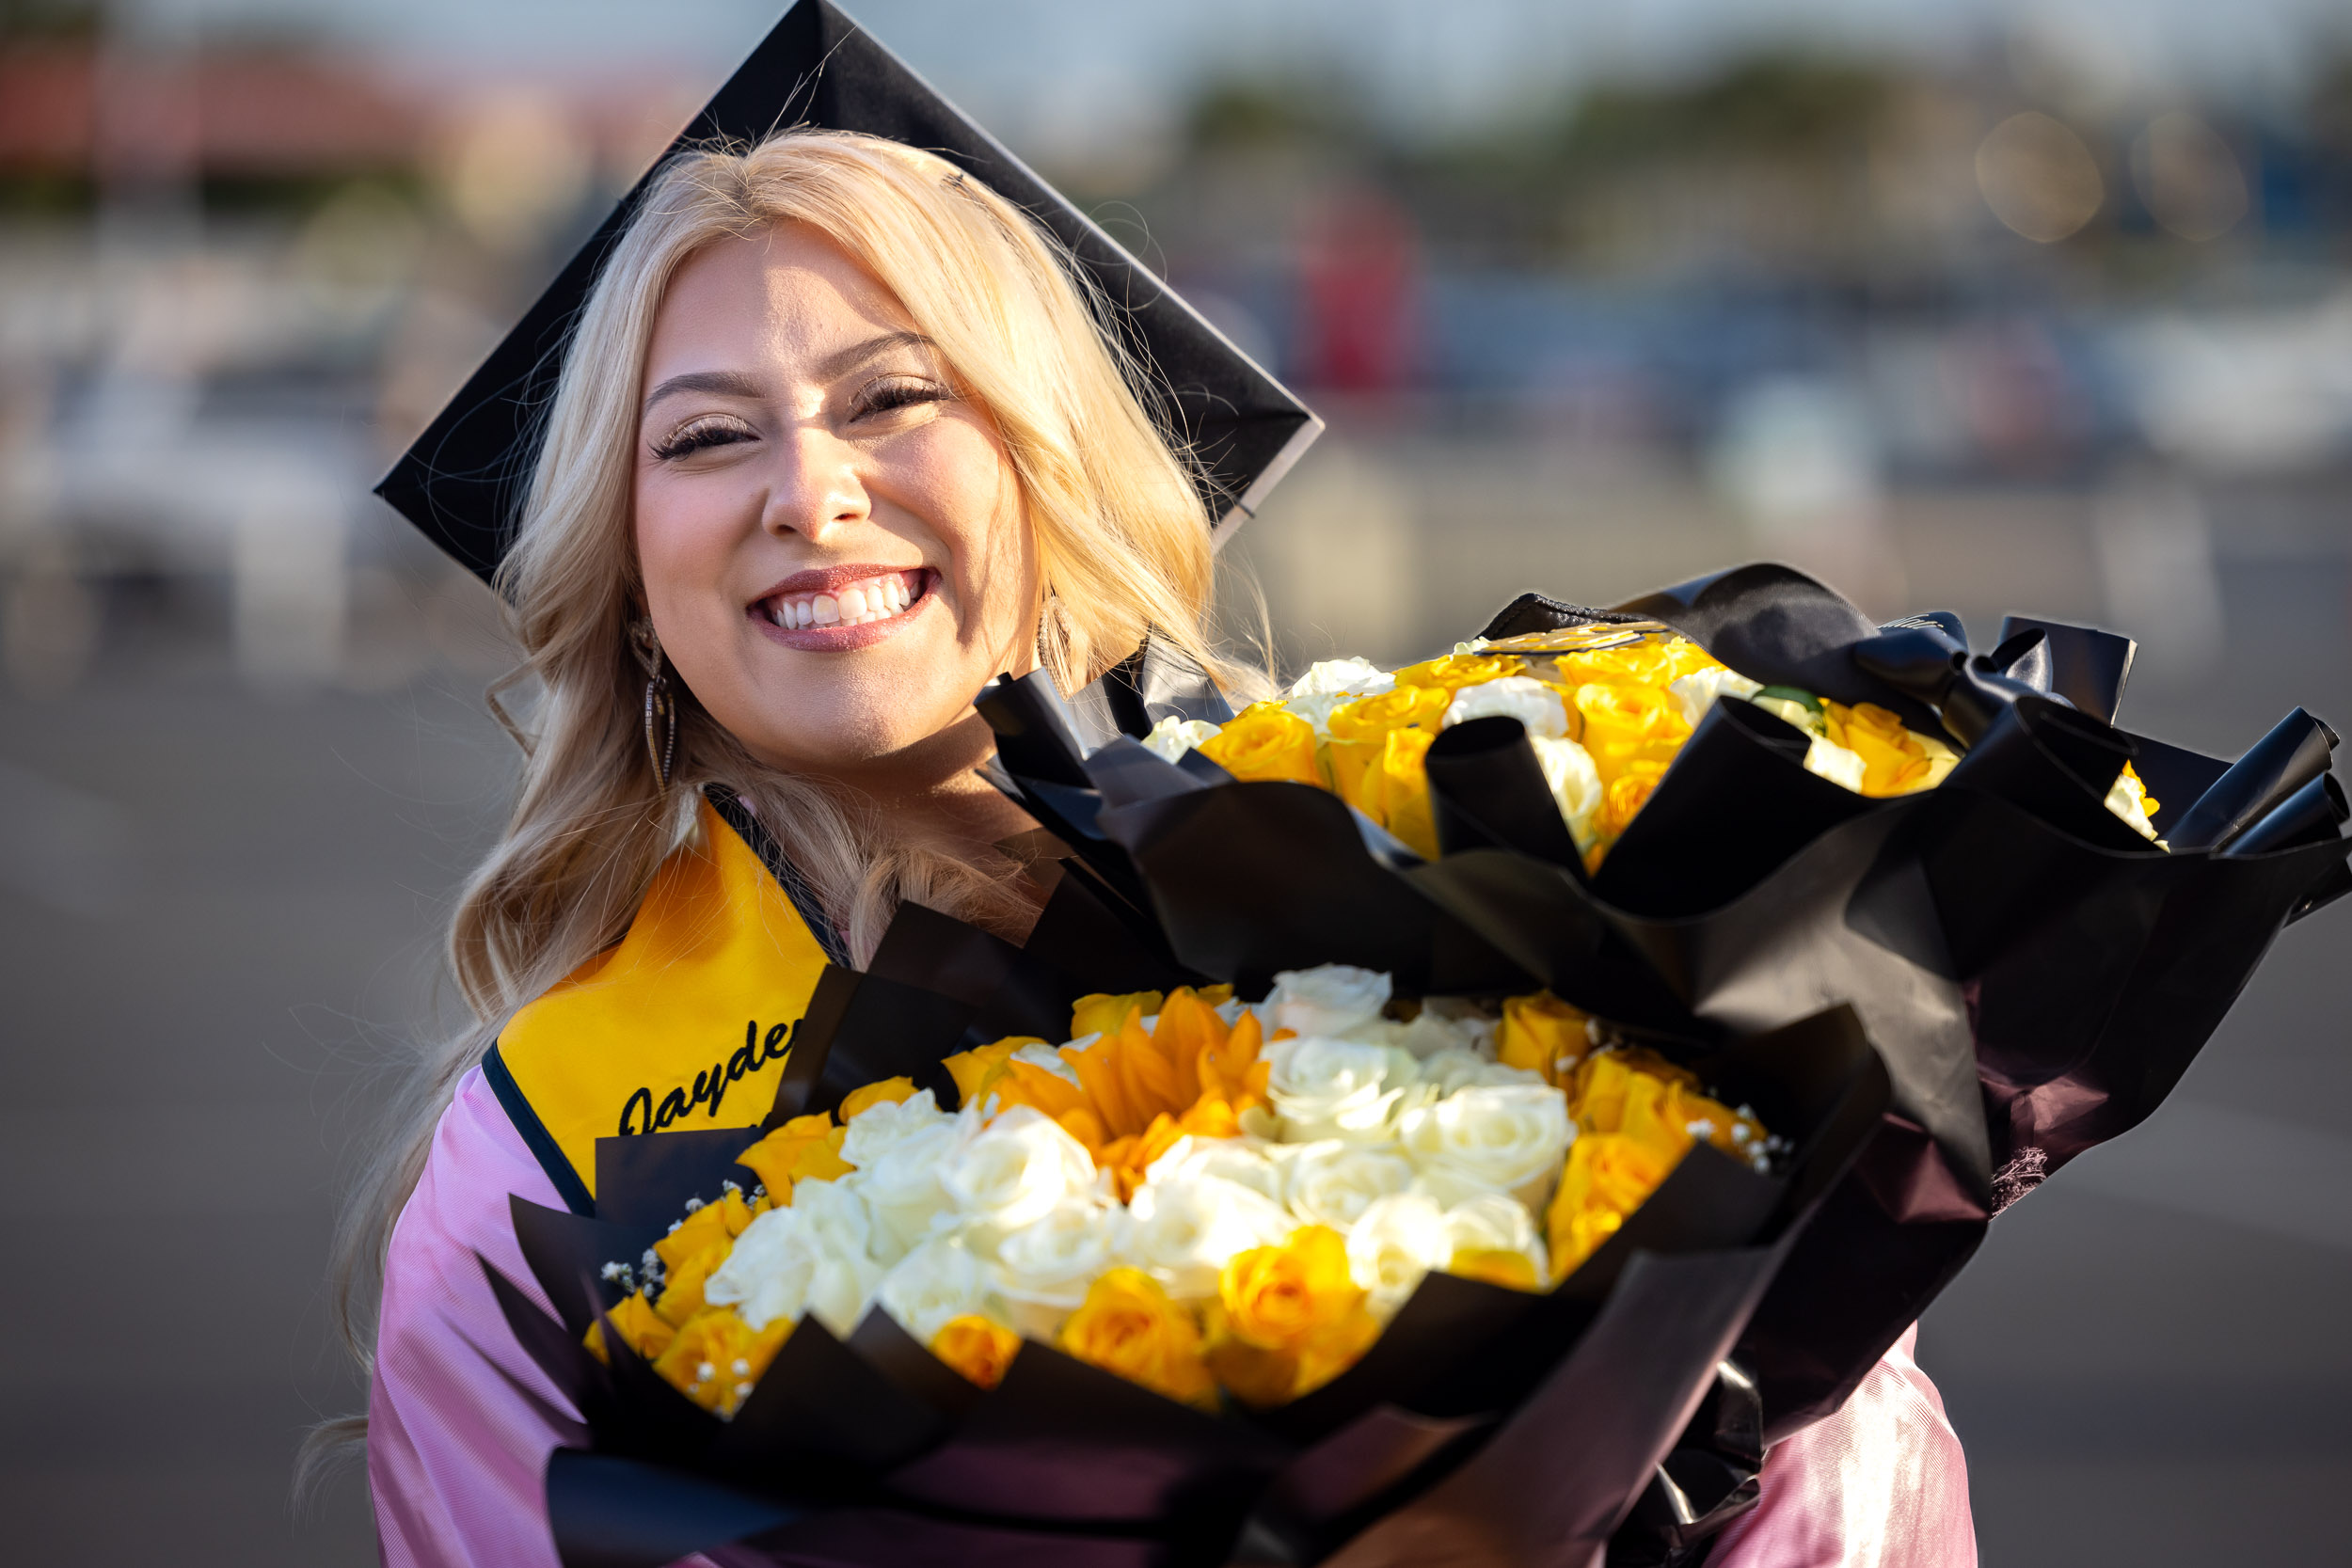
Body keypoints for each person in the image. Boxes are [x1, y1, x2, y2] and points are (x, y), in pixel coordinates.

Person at [326, 12, 1976, 1567]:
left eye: (897, 396)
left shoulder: (1454, 880)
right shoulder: (544, 1170)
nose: (810, 491)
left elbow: (1846, 1471)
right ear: (622, 563)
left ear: (1055, 466)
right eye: (702, 439)